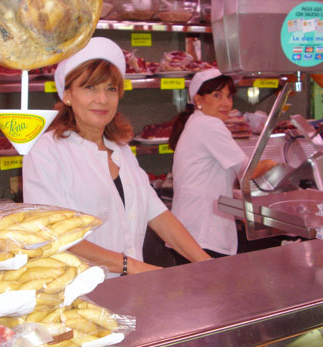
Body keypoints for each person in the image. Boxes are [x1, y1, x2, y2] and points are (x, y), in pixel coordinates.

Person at [23, 37, 211, 277]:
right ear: (67, 95)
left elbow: (158, 214)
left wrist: (207, 264)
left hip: (131, 290)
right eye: (89, 87)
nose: (102, 99)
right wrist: (129, 265)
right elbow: (52, 235)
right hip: (77, 295)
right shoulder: (46, 151)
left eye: (110, 89)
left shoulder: (121, 150)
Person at [168, 68, 277, 263]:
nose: (226, 103)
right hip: (203, 233)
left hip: (191, 230)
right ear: (199, 100)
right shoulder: (209, 125)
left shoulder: (197, 122)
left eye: (229, 96)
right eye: (217, 95)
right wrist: (274, 164)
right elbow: (247, 172)